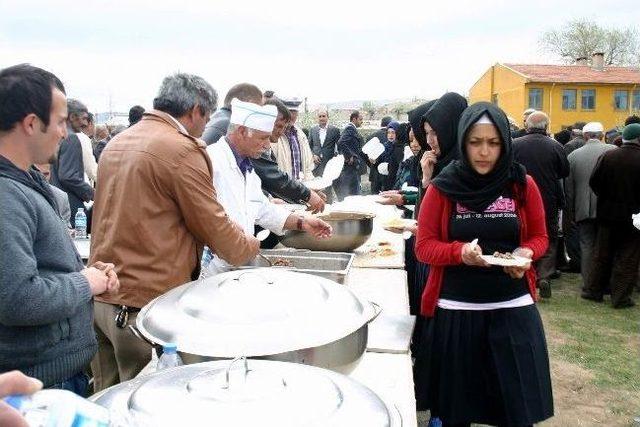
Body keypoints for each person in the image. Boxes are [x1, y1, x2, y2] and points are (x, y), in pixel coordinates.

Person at [89, 73, 260, 392]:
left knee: (104, 404)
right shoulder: (180, 149)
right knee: (144, 405)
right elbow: (214, 225)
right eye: (206, 118)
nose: (205, 127)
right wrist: (248, 246)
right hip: (143, 311)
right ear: (196, 110)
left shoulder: (119, 141)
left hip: (103, 300)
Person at [414, 101, 553, 426]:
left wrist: (526, 254)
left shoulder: (521, 184)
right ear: (463, 141)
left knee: (516, 411)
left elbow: (540, 237)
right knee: (455, 412)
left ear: (505, 142)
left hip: (513, 308)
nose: (484, 151)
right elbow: (424, 247)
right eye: (475, 142)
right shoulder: (443, 188)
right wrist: (458, 253)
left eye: (493, 142)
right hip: (457, 312)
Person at [0, 64, 119, 396]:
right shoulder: (7, 196)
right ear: (31, 123)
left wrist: (84, 273)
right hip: (39, 383)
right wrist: (85, 282)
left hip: (53, 374)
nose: (66, 132)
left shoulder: (27, 182)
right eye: (61, 121)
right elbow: (17, 299)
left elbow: (39, 268)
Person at [202, 99, 332, 274]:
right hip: (212, 268)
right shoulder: (211, 162)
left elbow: (264, 210)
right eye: (262, 137)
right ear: (241, 132)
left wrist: (303, 223)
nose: (267, 144)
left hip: (237, 266)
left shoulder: (248, 170)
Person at [583, 123, 640, 308]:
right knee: (628, 257)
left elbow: (594, 181)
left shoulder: (609, 156)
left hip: (607, 214)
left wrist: (607, 198)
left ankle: (593, 291)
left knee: (602, 254)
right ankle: (620, 297)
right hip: (635, 218)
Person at [513, 111, 569, 298]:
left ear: (527, 126)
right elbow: (564, 171)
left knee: (524, 233)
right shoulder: (556, 146)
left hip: (519, 196)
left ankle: (525, 270)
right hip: (548, 198)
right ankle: (543, 275)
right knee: (547, 236)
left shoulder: (515, 145)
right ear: (546, 127)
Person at [565, 122, 616, 291]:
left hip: (583, 208)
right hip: (609, 208)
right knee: (607, 245)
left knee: (586, 246)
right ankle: (606, 283)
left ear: (585, 136)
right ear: (602, 135)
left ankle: (588, 284)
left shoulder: (574, 156)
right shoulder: (613, 152)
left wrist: (571, 212)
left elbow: (569, 189)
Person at [251, 98, 325, 213]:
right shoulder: (254, 147)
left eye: (285, 127)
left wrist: (306, 193)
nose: (281, 132)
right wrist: (307, 194)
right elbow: (274, 177)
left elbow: (305, 166)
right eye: (279, 126)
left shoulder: (300, 134)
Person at [49, 98, 95, 227]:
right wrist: (92, 193)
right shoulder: (72, 139)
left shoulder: (58, 136)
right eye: (84, 118)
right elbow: (69, 176)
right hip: (71, 206)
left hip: (57, 203)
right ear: (73, 117)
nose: (85, 123)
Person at [272, 97, 315, 181]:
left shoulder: (301, 135)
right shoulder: (272, 135)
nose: (291, 115)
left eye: (294, 112)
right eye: (288, 111)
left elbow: (308, 166)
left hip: (300, 188)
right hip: (281, 189)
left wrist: (311, 186)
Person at [335, 110, 365, 199]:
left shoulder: (352, 129)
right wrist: (349, 155)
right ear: (354, 119)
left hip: (353, 166)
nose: (362, 121)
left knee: (352, 191)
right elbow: (341, 142)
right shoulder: (350, 128)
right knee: (352, 193)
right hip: (350, 167)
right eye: (360, 119)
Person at [308, 110, 340, 177]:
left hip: (329, 164)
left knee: (328, 185)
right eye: (320, 116)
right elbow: (308, 146)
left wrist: (336, 159)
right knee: (316, 185)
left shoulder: (335, 130)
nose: (322, 118)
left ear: (328, 117)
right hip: (316, 164)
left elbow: (340, 146)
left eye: (324, 116)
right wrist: (313, 155)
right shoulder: (313, 130)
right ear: (317, 118)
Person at [365, 116, 393, 194]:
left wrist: (372, 164)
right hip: (387, 176)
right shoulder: (393, 137)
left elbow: (364, 154)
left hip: (374, 174)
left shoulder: (371, 136)